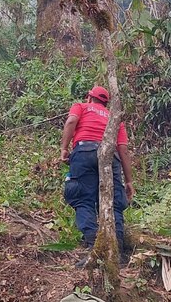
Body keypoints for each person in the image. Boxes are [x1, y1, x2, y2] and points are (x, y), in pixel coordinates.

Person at [59, 85, 135, 262]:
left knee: (83, 198)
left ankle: (95, 247)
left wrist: (63, 148)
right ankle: (117, 252)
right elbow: (123, 150)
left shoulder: (81, 107)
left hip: (84, 152)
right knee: (115, 202)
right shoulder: (115, 119)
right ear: (106, 103)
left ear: (89, 98)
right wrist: (129, 181)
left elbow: (71, 122)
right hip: (110, 156)